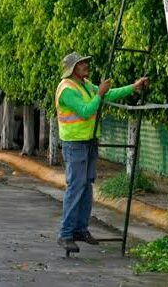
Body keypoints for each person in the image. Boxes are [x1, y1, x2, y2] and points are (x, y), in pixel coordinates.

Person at [55, 52, 149, 253]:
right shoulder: (67, 89)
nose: (86, 66)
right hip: (75, 143)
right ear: (73, 69)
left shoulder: (85, 84)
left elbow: (108, 93)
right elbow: (86, 110)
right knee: (76, 186)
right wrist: (99, 95)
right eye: (82, 64)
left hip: (88, 141)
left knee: (86, 185)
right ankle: (66, 233)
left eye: (86, 63)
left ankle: (80, 229)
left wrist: (133, 87)